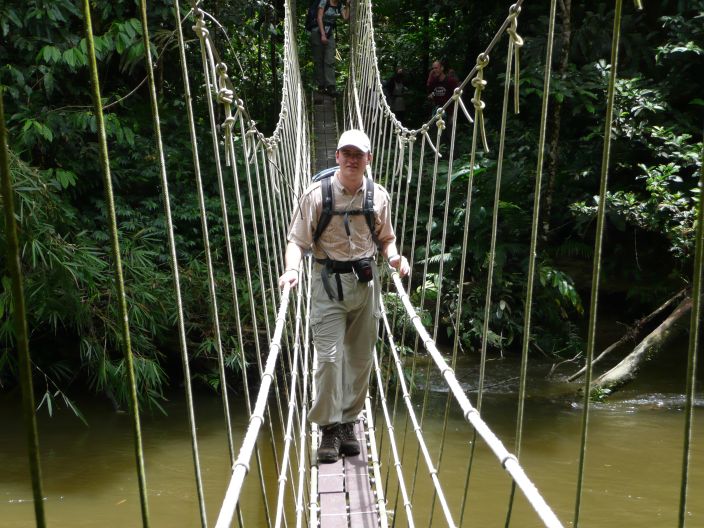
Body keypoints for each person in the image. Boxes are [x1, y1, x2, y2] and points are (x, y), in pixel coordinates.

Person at [278, 129, 410, 463]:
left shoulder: (378, 196)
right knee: (328, 360)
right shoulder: (316, 196)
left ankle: (349, 422)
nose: (352, 160)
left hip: (365, 286)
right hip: (327, 285)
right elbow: (297, 241)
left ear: (369, 159)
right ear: (336, 156)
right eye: (346, 153)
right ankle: (329, 428)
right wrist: (292, 269)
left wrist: (395, 257)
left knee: (361, 359)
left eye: (358, 154)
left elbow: (386, 239)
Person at [310, 0, 348, 96]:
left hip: (329, 33)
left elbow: (345, 17)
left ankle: (331, 87)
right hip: (318, 31)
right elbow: (319, 18)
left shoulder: (340, 5)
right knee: (318, 59)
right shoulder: (324, 2)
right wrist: (323, 35)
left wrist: (347, 5)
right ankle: (321, 86)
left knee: (330, 59)